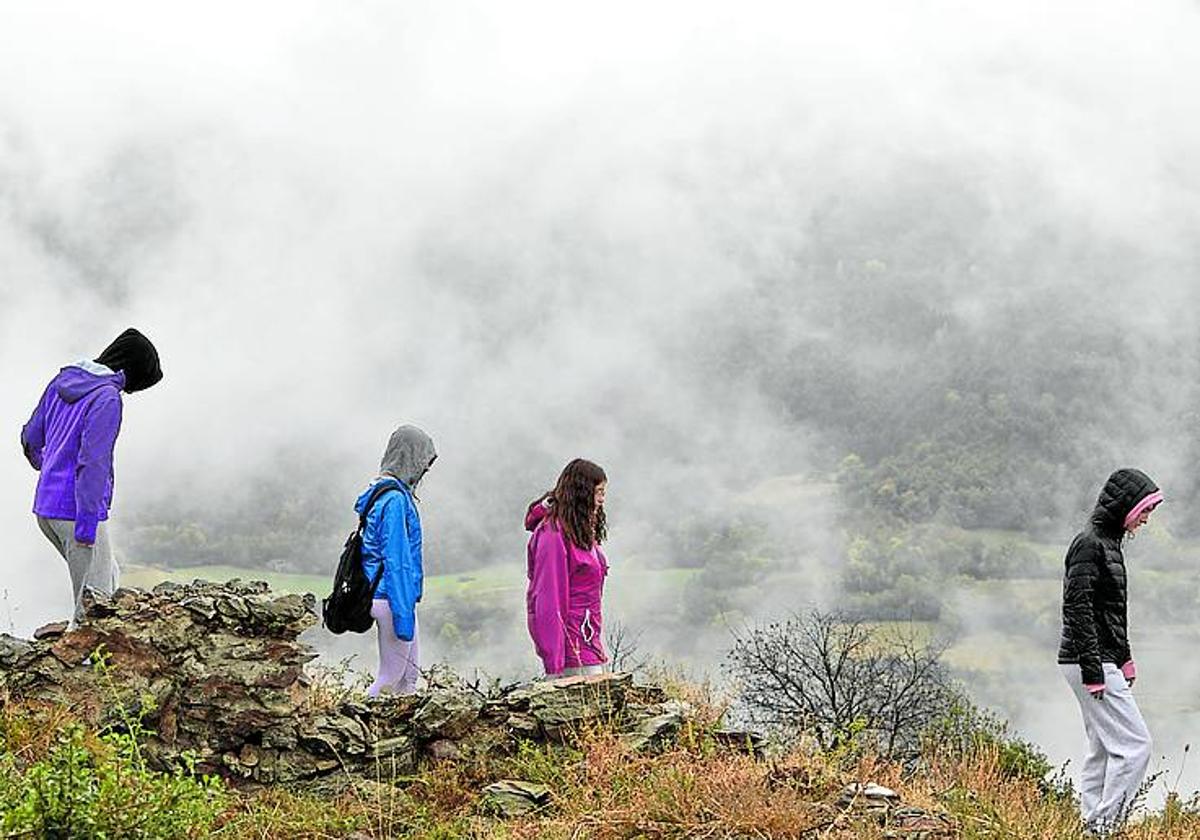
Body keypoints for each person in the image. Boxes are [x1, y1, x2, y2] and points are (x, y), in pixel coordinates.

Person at [19, 328, 163, 624]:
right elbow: (93, 463)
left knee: (109, 574)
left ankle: (85, 658)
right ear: (132, 371)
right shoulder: (107, 397)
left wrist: (48, 469)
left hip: (47, 509)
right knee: (95, 606)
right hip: (77, 512)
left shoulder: (61, 381)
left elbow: (31, 437)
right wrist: (87, 525)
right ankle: (84, 666)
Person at [1058, 468, 1162, 835]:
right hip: (1089, 660)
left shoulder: (1108, 543)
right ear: (1126, 506)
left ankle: (1091, 825)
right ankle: (1103, 829)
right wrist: (1094, 668)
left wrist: (1124, 658)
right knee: (1136, 746)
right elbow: (1078, 607)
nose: (1147, 519)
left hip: (1098, 658)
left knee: (1102, 748)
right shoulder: (1090, 543)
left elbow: (1111, 611)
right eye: (1145, 510)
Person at [357, 424, 436, 697]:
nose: (424, 470)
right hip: (391, 597)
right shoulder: (394, 501)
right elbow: (397, 561)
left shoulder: (385, 494)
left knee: (408, 679)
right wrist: (404, 617)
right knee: (390, 677)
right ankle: (361, 727)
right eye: (423, 462)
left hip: (389, 597)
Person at [525, 458, 610, 679]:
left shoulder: (577, 531)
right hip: (572, 650)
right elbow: (548, 599)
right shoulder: (553, 535)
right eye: (598, 492)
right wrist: (555, 663)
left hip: (587, 640)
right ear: (582, 493)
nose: (602, 500)